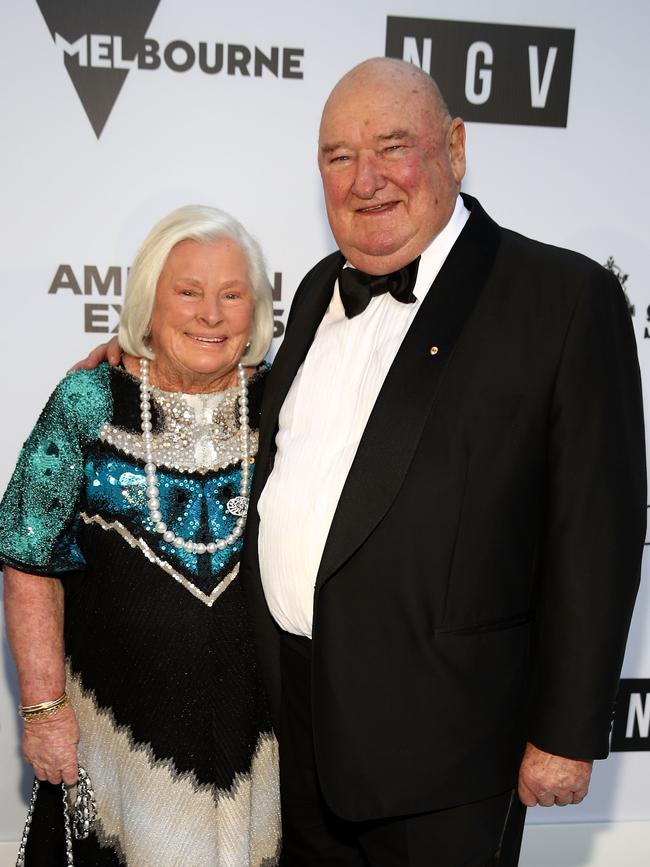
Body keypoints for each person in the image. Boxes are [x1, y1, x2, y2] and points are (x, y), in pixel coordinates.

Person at [76, 58, 645, 866]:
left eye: (392, 146)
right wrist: (135, 360)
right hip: (297, 735)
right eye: (339, 156)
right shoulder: (314, 293)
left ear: (454, 146)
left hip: (448, 752)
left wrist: (565, 732)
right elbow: (239, 396)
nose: (365, 179)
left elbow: (599, 532)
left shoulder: (561, 299)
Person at [0, 205, 281, 866]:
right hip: (116, 734)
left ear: (257, 311)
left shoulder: (289, 399)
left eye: (232, 294)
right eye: (188, 292)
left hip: (264, 739)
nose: (210, 313)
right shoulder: (87, 402)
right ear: (149, 303)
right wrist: (43, 710)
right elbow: (27, 554)